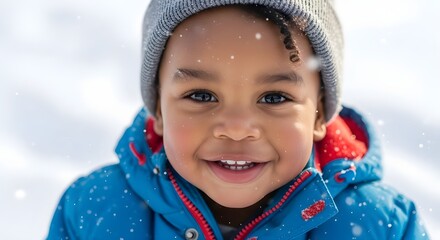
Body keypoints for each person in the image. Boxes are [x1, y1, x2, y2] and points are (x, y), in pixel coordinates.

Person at [47, 1, 429, 239]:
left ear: (319, 113)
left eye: (274, 97)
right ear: (159, 111)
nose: (236, 127)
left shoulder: (382, 227)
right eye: (201, 95)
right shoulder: (94, 212)